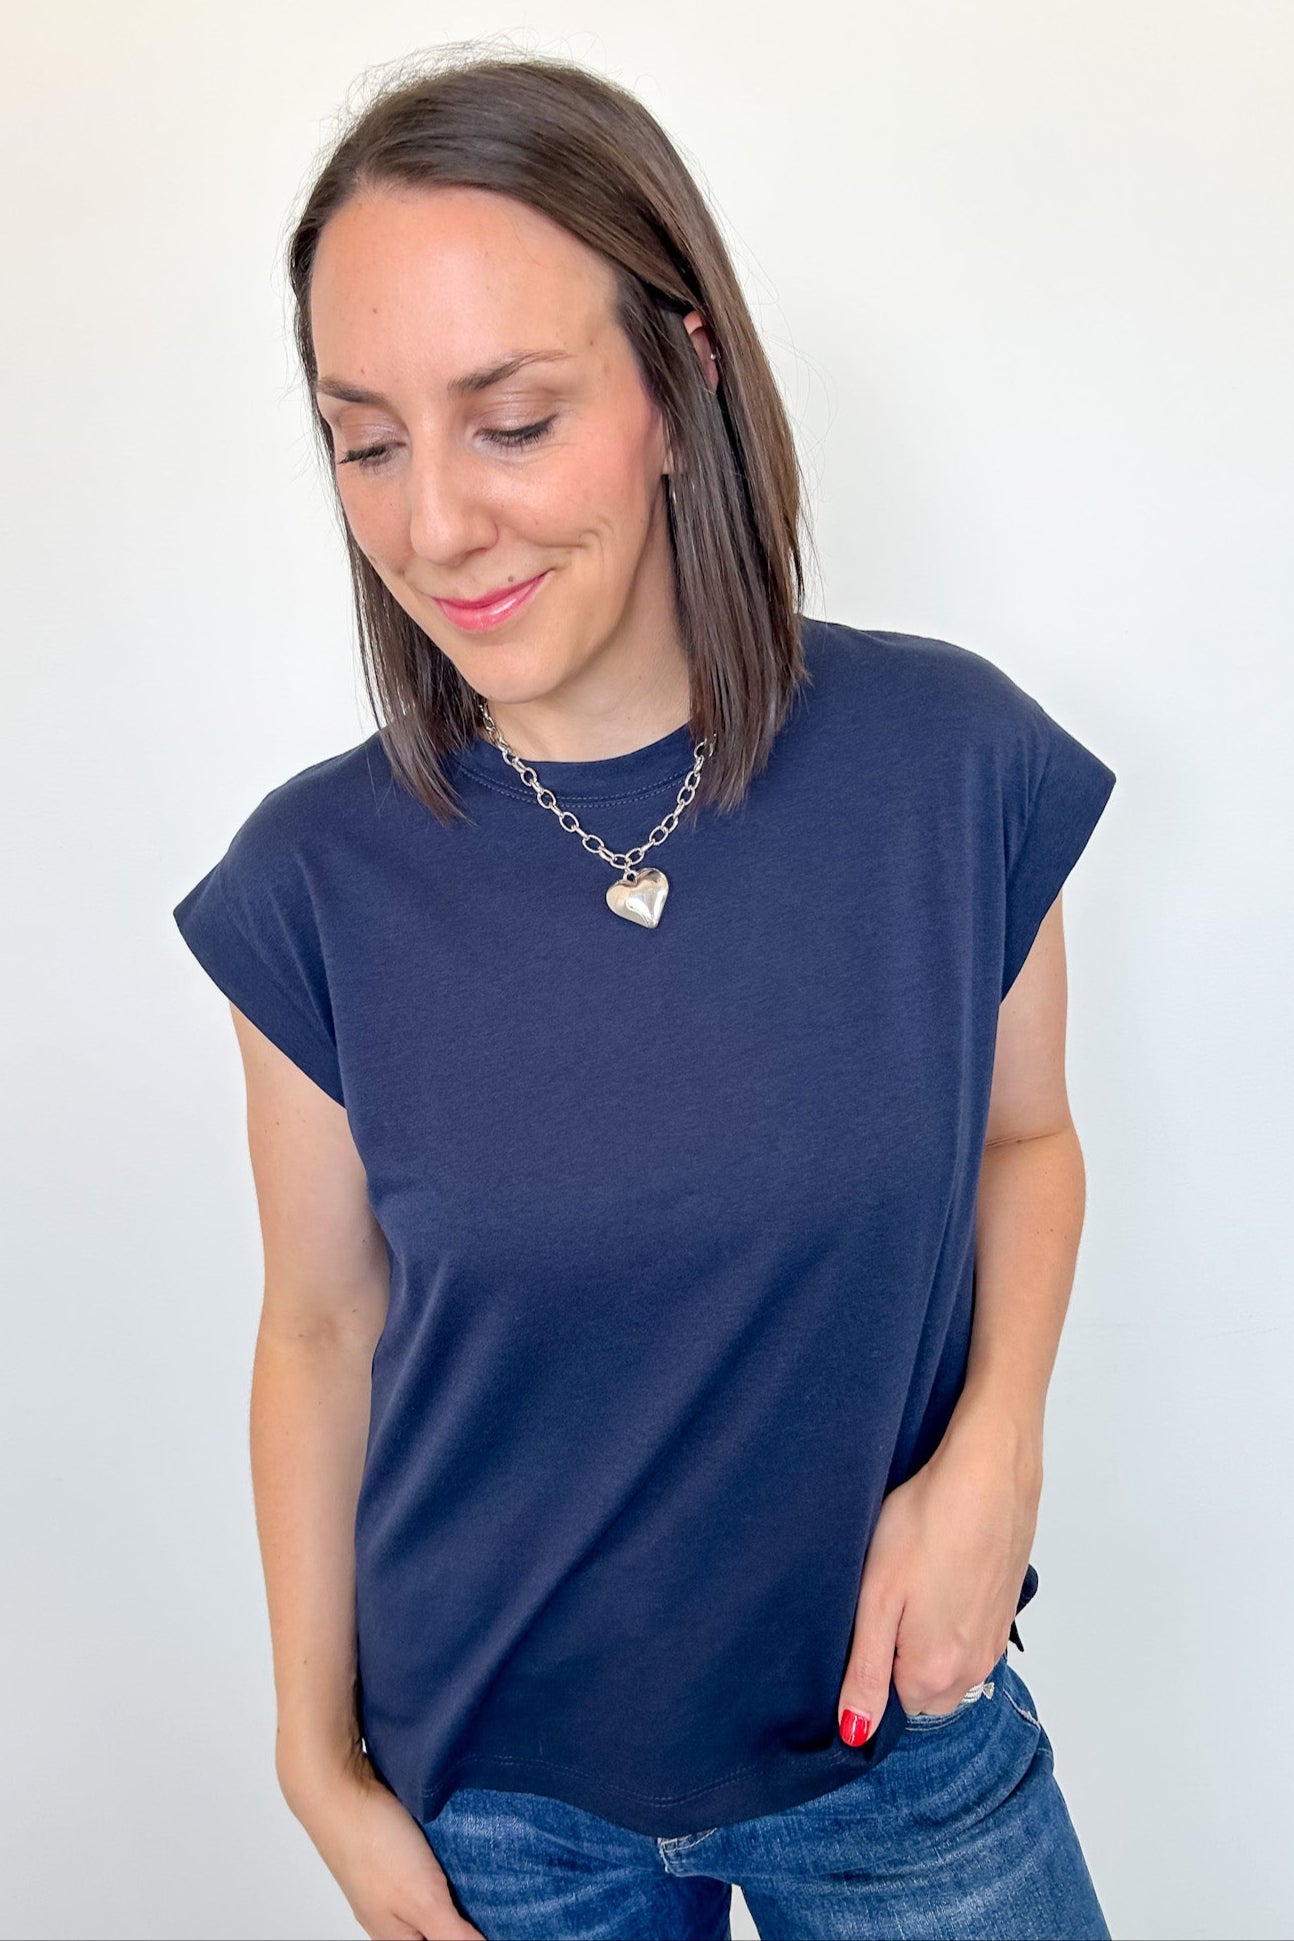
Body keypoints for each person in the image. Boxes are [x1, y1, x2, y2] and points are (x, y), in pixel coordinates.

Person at [172, 50, 1117, 1941]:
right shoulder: (311, 883)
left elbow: (1023, 1136)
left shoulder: (948, 765)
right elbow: (321, 1332)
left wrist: (991, 1447)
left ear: (678, 385)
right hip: (501, 1813)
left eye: (508, 421)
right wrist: (313, 1758)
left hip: (900, 1739)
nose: (432, 524)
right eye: (366, 438)